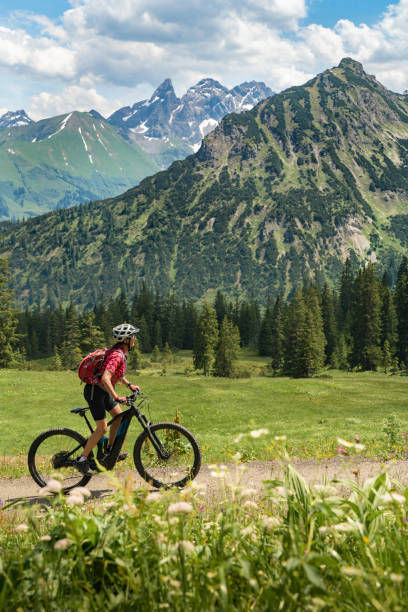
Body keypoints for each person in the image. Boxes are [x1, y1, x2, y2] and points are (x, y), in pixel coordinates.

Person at [76, 323, 140, 474]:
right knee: (102, 428)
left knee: (118, 417)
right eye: (133, 337)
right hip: (95, 392)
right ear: (126, 339)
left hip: (102, 391)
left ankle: (109, 451)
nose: (135, 339)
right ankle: (82, 459)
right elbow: (106, 378)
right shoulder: (117, 355)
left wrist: (129, 385)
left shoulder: (120, 353)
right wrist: (116, 397)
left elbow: (117, 374)